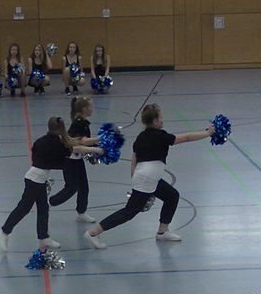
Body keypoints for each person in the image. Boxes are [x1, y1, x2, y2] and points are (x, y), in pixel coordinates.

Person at [82, 104, 215, 249]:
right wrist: (208, 133)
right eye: (161, 117)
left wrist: (134, 179)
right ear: (155, 121)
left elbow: (134, 160)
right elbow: (187, 137)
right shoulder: (161, 136)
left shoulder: (141, 137)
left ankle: (162, 231)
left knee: (172, 196)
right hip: (147, 179)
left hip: (148, 178)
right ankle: (93, 233)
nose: (162, 120)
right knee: (129, 212)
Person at [0, 117, 103, 252]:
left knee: (43, 209)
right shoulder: (56, 144)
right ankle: (3, 232)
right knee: (24, 208)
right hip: (34, 180)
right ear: (60, 129)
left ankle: (43, 237)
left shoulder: (44, 141)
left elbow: (71, 147)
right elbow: (76, 148)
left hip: (39, 179)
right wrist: (96, 150)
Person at [49, 97, 100, 222]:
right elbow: (82, 142)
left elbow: (84, 141)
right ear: (84, 109)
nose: (92, 109)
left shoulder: (83, 122)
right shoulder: (78, 123)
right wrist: (101, 139)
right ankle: (49, 202)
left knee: (84, 187)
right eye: (91, 107)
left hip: (77, 159)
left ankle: (81, 212)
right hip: (69, 160)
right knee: (71, 188)